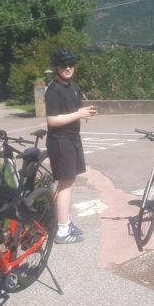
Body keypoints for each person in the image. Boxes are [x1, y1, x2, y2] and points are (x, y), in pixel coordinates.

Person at [45, 48, 97, 244]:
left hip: (72, 139)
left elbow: (71, 111)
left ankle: (64, 221)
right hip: (61, 141)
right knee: (65, 183)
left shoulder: (72, 86)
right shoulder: (54, 90)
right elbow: (52, 120)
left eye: (70, 64)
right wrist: (79, 114)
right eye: (63, 65)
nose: (68, 68)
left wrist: (84, 112)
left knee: (69, 182)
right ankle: (62, 231)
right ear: (56, 68)